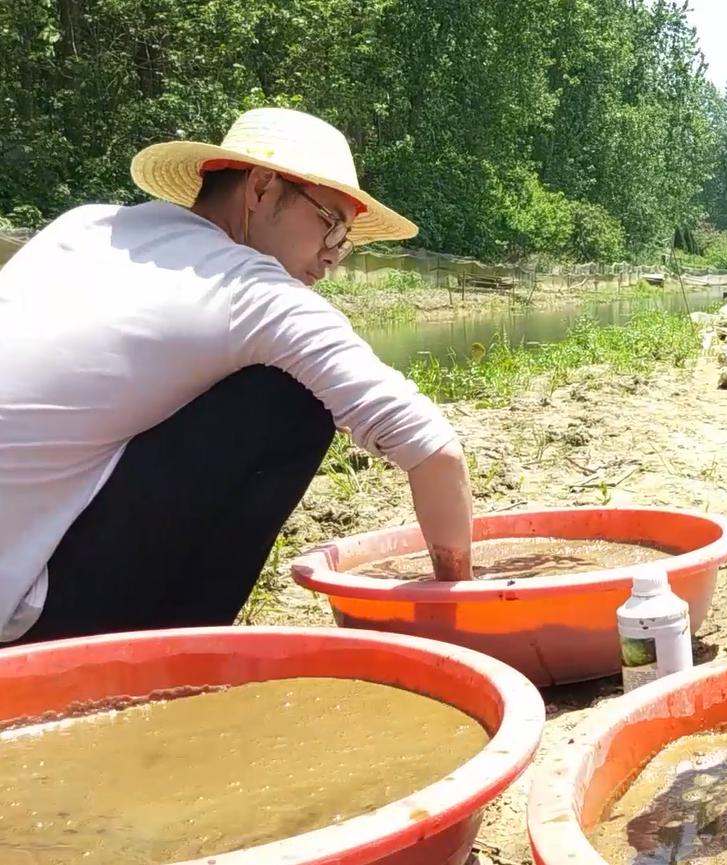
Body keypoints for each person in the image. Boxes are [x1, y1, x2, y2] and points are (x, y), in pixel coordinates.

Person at [0, 107, 476, 646]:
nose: (330, 259)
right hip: (22, 622)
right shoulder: (253, 292)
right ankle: (175, 655)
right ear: (262, 189)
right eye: (330, 224)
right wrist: (459, 606)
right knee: (292, 396)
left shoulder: (85, 226)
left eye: (345, 242)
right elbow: (435, 450)